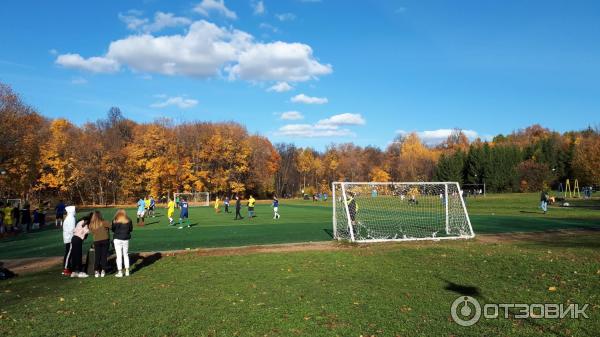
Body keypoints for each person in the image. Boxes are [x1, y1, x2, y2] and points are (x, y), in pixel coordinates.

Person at [89, 211, 111, 278]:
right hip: (105, 240)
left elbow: (92, 232)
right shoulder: (104, 222)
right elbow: (111, 226)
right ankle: (103, 270)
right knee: (104, 256)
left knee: (97, 256)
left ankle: (96, 271)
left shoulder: (91, 224)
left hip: (96, 241)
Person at [112, 209, 133, 277]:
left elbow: (113, 229)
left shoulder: (115, 220)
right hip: (125, 238)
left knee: (119, 256)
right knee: (126, 254)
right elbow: (131, 229)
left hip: (117, 239)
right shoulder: (128, 220)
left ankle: (120, 272)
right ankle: (127, 271)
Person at [71, 213, 92, 278]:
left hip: (74, 239)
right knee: (78, 255)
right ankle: (79, 272)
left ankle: (74, 272)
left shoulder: (80, 221)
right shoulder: (85, 224)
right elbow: (87, 231)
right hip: (78, 240)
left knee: (74, 255)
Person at [62, 205, 76, 276]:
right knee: (68, 253)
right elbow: (72, 229)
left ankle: (67, 267)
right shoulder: (71, 218)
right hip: (70, 238)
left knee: (68, 253)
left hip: (68, 238)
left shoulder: (68, 218)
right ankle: (66, 268)